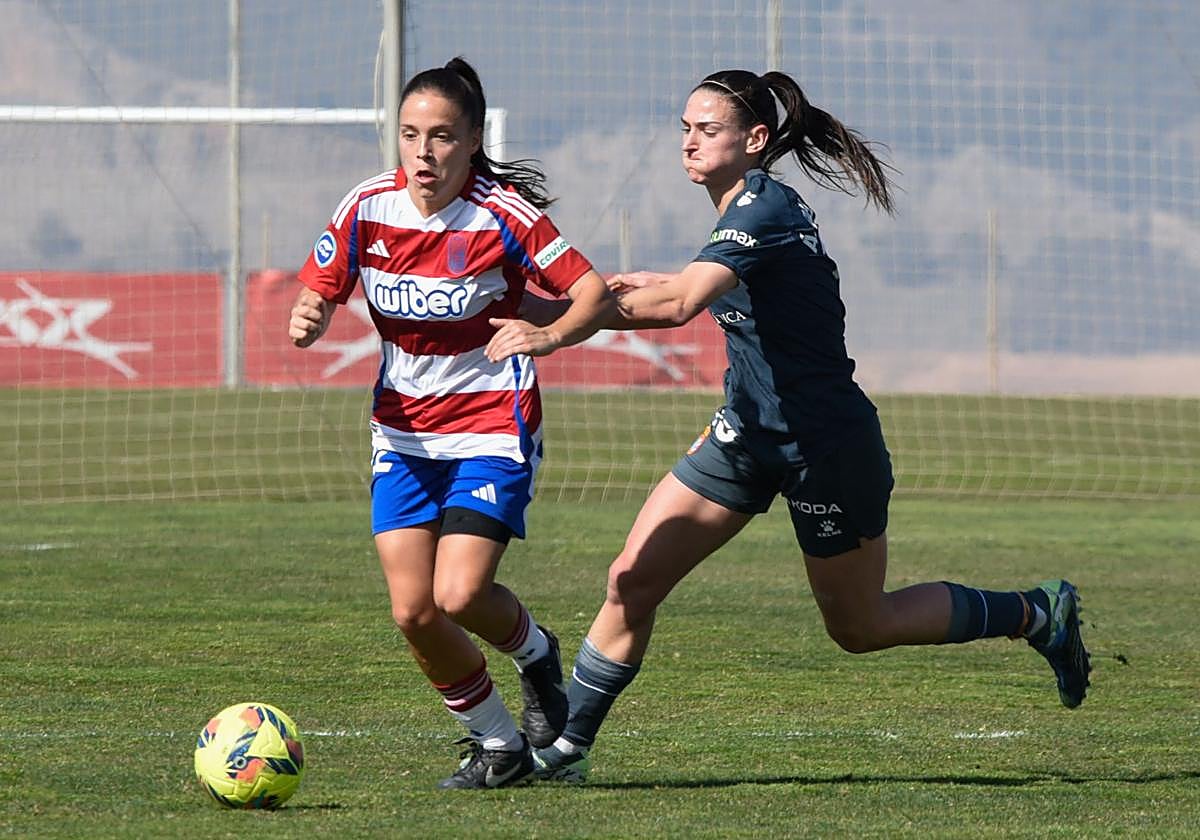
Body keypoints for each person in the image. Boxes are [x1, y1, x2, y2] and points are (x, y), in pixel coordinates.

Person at [523, 69, 1091, 783]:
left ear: (755, 140)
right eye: (684, 128)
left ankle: (1036, 614)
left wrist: (550, 334)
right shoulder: (737, 215)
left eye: (708, 129)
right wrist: (528, 305)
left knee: (860, 627)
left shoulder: (764, 209)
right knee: (631, 580)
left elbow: (675, 307)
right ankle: (563, 752)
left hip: (825, 446)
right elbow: (652, 289)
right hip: (745, 435)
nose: (689, 142)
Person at [288, 57, 616, 789]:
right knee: (414, 612)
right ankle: (497, 744)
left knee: (459, 595)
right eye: (410, 135)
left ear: (473, 140)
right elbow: (316, 290)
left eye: (442, 137)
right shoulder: (367, 207)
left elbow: (590, 293)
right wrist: (308, 315)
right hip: (402, 437)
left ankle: (535, 655)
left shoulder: (505, 214)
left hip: (491, 426)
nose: (424, 153)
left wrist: (550, 334)